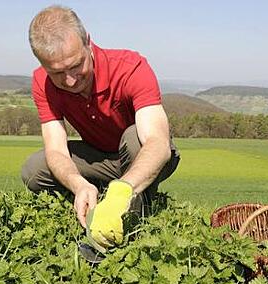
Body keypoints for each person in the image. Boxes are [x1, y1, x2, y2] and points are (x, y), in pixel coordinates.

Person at [21, 5, 180, 251]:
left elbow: (158, 143)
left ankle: (130, 209)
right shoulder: (41, 82)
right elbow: (56, 150)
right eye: (57, 73)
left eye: (76, 66)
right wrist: (77, 183)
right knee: (34, 169)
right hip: (99, 158)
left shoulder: (131, 67)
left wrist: (121, 192)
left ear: (88, 42)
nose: (70, 80)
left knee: (133, 136)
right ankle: (93, 194)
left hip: (139, 152)